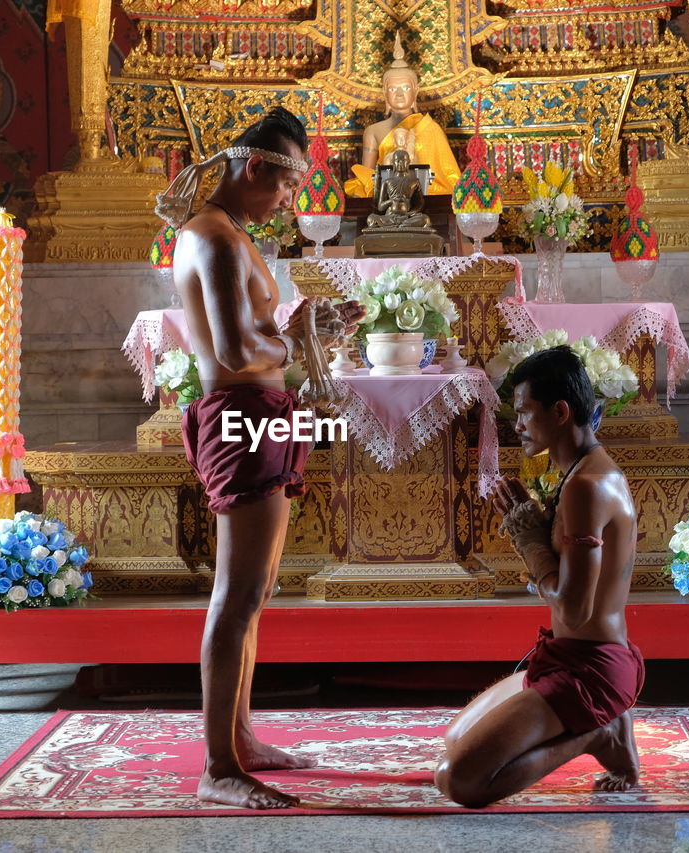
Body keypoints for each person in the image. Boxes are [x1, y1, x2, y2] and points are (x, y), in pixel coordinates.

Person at [172, 106, 364, 809]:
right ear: (255, 166)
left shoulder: (232, 234)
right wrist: (299, 343)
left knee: (257, 593)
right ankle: (219, 768)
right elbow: (233, 353)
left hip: (265, 416)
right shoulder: (215, 240)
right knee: (237, 595)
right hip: (242, 417)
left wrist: (310, 325)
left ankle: (241, 737)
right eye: (285, 185)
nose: (290, 201)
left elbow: (255, 334)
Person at [435, 346, 643, 808]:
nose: (517, 424)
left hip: (592, 670)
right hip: (567, 655)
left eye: (525, 411)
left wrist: (530, 544)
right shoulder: (580, 471)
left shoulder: (587, 487)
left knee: (459, 781)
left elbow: (573, 608)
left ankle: (598, 734)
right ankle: (605, 724)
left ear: (561, 411)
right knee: (453, 742)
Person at [343, 31, 461, 198]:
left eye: (405, 88)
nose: (399, 94)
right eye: (392, 89)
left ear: (415, 91)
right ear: (384, 93)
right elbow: (367, 178)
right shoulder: (373, 131)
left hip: (426, 196)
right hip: (387, 196)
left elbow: (449, 178)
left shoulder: (430, 128)